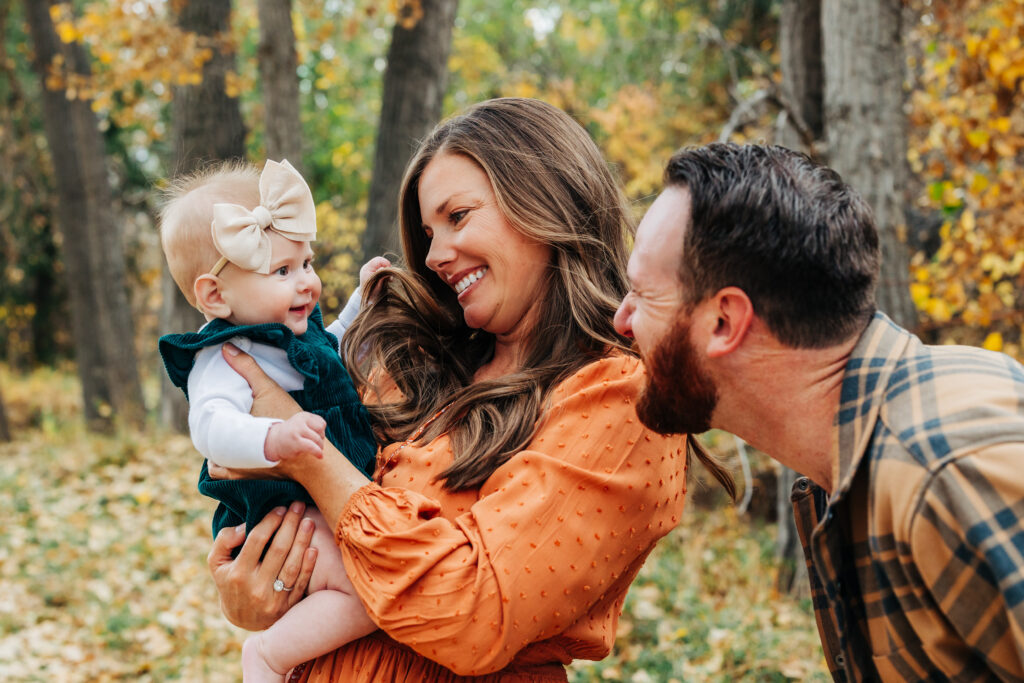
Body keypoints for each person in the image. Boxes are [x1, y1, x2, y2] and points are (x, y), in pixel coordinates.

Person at [204, 98, 735, 682]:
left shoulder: (621, 395)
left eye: (458, 217)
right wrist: (256, 586)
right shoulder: (418, 358)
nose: (433, 255)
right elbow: (295, 529)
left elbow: (472, 613)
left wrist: (310, 457)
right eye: (429, 232)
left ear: (545, 201)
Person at [614, 141, 1024, 681]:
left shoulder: (943, 467)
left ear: (724, 321)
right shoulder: (847, 468)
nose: (622, 321)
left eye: (643, 295)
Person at [156, 158, 390, 682]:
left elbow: (333, 350)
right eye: (282, 271)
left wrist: (364, 305)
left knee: (377, 586)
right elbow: (211, 428)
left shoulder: (288, 333)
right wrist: (273, 436)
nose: (306, 281)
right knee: (376, 590)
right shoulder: (223, 356)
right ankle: (267, 657)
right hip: (281, 515)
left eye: (306, 263)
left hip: (325, 503)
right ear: (216, 296)